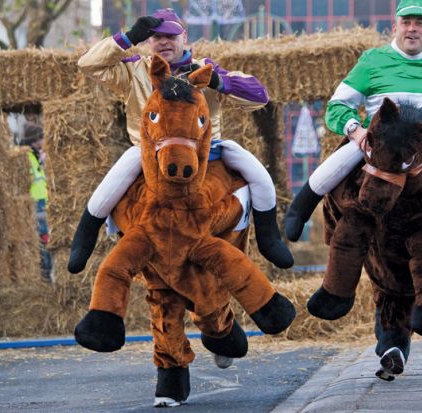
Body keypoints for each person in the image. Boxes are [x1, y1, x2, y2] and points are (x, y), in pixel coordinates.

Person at [68, 8, 293, 274]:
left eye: (171, 36)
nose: (164, 42)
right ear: (148, 41)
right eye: (156, 36)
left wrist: (218, 82)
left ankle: (269, 238)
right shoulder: (135, 70)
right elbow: (87, 65)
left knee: (257, 172)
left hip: (208, 152)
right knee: (112, 181)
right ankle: (84, 237)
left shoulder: (205, 68)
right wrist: (127, 38)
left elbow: (260, 97)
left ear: (184, 37)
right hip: (149, 152)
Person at [285, 0, 422, 259]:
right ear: (395, 27)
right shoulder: (372, 62)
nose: (412, 29)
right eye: (406, 22)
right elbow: (338, 105)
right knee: (338, 164)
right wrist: (356, 132)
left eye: (419, 23)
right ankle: (300, 208)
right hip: (382, 143)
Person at [23, 122, 54, 283]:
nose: (43, 140)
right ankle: (45, 273)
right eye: (41, 137)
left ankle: (47, 272)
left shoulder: (38, 156)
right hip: (35, 203)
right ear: (34, 140)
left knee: (47, 237)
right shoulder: (27, 157)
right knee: (43, 238)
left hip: (44, 201)